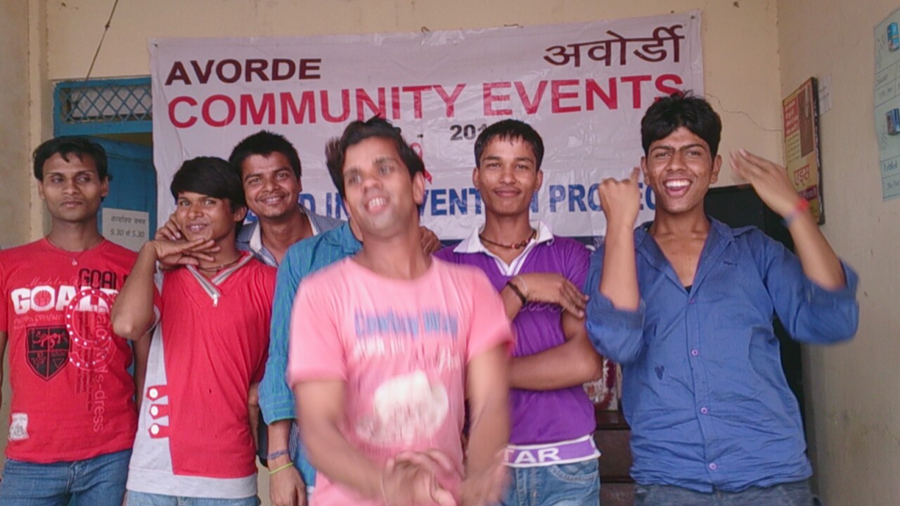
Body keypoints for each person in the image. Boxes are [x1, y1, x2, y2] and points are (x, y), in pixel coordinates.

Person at [585, 92, 859, 505]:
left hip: (771, 479)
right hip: (670, 483)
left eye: (693, 152)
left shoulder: (755, 250)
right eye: (662, 153)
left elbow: (832, 321)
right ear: (646, 169)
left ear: (714, 168)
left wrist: (795, 209)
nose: (676, 165)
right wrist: (620, 227)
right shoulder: (617, 255)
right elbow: (619, 343)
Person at [289, 117, 513, 506]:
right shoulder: (321, 294)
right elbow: (319, 428)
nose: (369, 183)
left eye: (384, 169)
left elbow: (491, 401)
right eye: (354, 178)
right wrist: (390, 486)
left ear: (417, 185)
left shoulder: (472, 289)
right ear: (348, 206)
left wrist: (478, 476)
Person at [436, 119, 603, 505]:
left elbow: (584, 362)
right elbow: (445, 368)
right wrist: (519, 290)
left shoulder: (570, 256)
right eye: (494, 164)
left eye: (521, 165)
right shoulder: (445, 265)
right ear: (476, 177)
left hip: (566, 466)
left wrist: (481, 374)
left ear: (538, 179)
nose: (507, 177)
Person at [111, 156, 274, 505]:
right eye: (184, 202)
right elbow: (126, 325)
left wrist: (257, 393)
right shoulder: (160, 277)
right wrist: (150, 252)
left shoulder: (268, 281)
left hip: (228, 474)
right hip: (155, 471)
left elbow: (294, 358)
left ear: (238, 212)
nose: (193, 213)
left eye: (208, 202)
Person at [0, 136, 149, 505]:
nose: (70, 189)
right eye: (57, 179)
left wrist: (146, 450)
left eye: (83, 178)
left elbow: (148, 368)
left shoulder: (132, 267)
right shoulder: (8, 266)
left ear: (104, 186)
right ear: (41, 188)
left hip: (112, 455)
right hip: (29, 457)